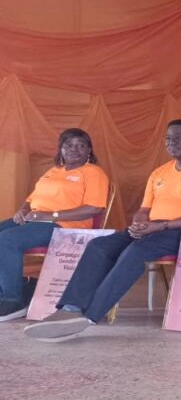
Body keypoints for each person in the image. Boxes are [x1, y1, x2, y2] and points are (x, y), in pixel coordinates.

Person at [24, 119, 181, 342]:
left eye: (179, 138)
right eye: (168, 139)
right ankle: (70, 308)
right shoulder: (159, 173)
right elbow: (144, 210)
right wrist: (139, 224)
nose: (172, 143)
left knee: (136, 251)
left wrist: (160, 226)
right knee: (100, 246)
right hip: (154, 227)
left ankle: (90, 316)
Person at [0, 129, 110, 321]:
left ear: (89, 151)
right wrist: (22, 210)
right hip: (37, 220)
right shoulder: (53, 172)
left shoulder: (94, 173)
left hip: (66, 226)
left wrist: (50, 215)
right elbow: (31, 199)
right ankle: (20, 287)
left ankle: (13, 300)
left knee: (7, 240)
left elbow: (93, 209)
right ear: (61, 149)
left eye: (80, 145)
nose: (74, 149)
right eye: (68, 145)